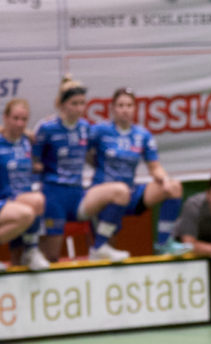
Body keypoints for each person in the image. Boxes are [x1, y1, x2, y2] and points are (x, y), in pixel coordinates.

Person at [32, 75, 135, 263]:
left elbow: (92, 153)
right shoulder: (47, 128)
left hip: (78, 195)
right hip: (54, 195)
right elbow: (33, 158)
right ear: (62, 104)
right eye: (74, 103)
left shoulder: (86, 128)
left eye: (82, 103)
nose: (79, 108)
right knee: (52, 256)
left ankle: (100, 246)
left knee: (121, 192)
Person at [87, 87, 186, 257]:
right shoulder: (100, 131)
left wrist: (165, 180)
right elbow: (83, 150)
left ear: (135, 108)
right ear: (112, 108)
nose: (125, 109)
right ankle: (99, 247)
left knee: (174, 187)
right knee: (106, 251)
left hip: (130, 193)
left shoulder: (142, 135)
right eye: (120, 105)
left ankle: (163, 243)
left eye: (129, 105)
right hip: (104, 196)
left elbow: (154, 167)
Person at [0, 98, 50, 271]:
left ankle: (31, 251)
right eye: (15, 118)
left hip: (18, 201)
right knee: (30, 210)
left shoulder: (27, 142)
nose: (20, 124)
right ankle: (31, 250)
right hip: (4, 200)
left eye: (24, 119)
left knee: (35, 203)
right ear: (5, 118)